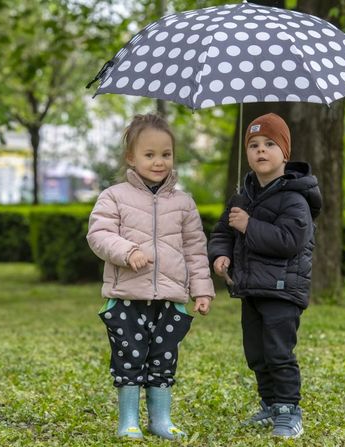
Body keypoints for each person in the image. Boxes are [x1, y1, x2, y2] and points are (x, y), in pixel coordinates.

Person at [86, 113, 214, 440]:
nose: (159, 162)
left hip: (171, 299)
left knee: (164, 359)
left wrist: (202, 290)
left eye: (166, 154)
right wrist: (127, 251)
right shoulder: (114, 196)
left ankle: (161, 419)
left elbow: (195, 250)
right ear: (131, 157)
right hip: (127, 297)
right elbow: (99, 235)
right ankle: (128, 420)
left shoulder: (184, 203)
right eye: (150, 154)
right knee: (128, 357)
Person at [208, 113, 322, 439]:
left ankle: (289, 410)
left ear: (284, 153)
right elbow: (222, 232)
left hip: (283, 289)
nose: (261, 150)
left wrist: (249, 225)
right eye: (254, 145)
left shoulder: (295, 197)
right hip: (252, 288)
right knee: (256, 353)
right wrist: (221, 254)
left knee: (278, 353)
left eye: (270, 144)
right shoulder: (242, 196)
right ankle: (270, 405)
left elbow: (289, 241)